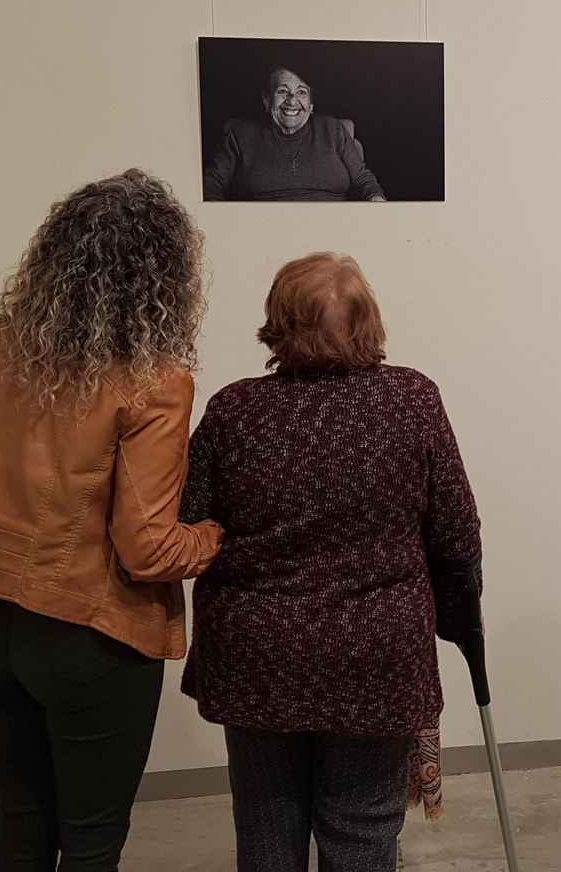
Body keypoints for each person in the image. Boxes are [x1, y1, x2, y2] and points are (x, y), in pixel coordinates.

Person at [0, 168, 224, 872]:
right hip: (89, 633)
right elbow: (147, 547)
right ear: (164, 273)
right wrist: (211, 539)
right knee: (91, 841)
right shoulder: (154, 380)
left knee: (20, 827)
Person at [179, 251, 481, 872]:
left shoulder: (233, 410)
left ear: (278, 323)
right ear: (369, 321)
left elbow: (190, 523)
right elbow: (457, 533)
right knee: (363, 835)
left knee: (266, 832)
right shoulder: (412, 399)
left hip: (258, 651)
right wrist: (454, 618)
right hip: (374, 650)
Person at [204, 65, 388, 201]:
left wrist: (375, 197)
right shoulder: (240, 137)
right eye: (283, 91)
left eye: (301, 92)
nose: (292, 101)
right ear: (267, 100)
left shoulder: (333, 130)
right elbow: (212, 184)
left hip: (333, 229)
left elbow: (362, 179)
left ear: (311, 103)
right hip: (261, 229)